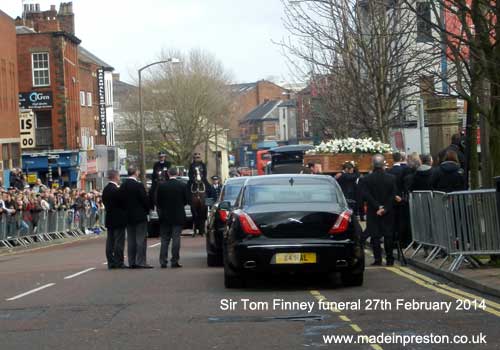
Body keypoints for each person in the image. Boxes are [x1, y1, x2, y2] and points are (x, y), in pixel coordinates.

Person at [362, 154, 398, 266]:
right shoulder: (391, 178)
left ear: (372, 164)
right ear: (383, 164)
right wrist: (385, 208)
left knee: (375, 235)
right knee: (388, 235)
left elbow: (366, 195)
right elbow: (393, 195)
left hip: (373, 211)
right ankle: (390, 259)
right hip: (388, 211)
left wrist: (377, 207)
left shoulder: (366, 179)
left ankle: (378, 260)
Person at [120, 165, 153, 269]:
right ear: (136, 173)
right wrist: (148, 210)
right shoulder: (138, 185)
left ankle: (132, 262)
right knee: (141, 240)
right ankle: (141, 261)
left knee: (131, 240)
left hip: (127, 216)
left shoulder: (123, 185)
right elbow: (145, 200)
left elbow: (120, 201)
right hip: (139, 216)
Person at [156, 167, 188, 268]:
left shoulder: (162, 186)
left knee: (165, 240)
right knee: (176, 239)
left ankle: (163, 261)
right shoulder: (182, 185)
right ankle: (174, 260)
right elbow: (186, 200)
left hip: (165, 216)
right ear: (177, 173)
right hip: (178, 215)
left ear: (168, 174)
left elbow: (158, 201)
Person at [102, 170, 127, 269]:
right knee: (119, 242)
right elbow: (122, 203)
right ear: (115, 177)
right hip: (119, 218)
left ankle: (111, 261)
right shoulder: (116, 190)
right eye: (119, 176)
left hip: (109, 218)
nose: (119, 178)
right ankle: (119, 261)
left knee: (110, 241)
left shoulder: (106, 189)